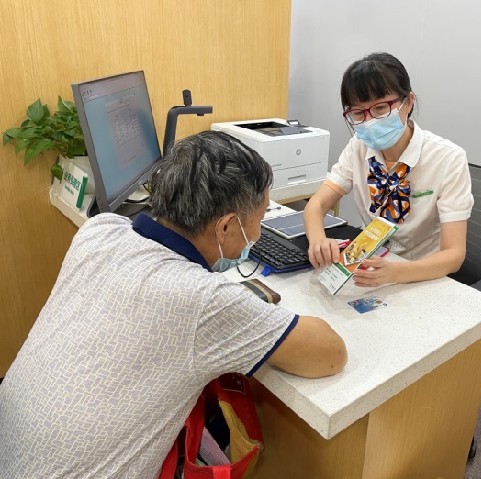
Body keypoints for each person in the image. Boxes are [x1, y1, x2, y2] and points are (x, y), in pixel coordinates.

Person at [0, 131, 347, 479]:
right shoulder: (204, 301)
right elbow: (330, 354)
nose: (255, 236)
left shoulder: (99, 231)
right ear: (226, 226)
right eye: (258, 221)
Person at [304, 52, 473, 287]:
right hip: (369, 265)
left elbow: (454, 255)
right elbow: (316, 205)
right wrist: (318, 242)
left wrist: (396, 273)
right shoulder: (359, 147)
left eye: (381, 108)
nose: (369, 121)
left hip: (420, 274)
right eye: (358, 113)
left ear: (408, 101)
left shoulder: (448, 158)